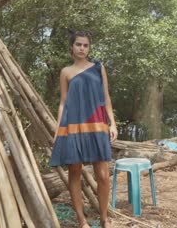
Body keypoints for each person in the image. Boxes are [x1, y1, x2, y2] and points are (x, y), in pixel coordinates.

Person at [50, 30, 118, 228]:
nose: (82, 48)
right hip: (73, 125)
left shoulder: (98, 68)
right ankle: (82, 221)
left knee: (103, 175)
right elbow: (63, 102)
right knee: (75, 172)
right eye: (78, 44)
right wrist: (58, 128)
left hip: (97, 125)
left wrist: (112, 123)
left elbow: (106, 97)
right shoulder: (66, 72)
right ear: (71, 47)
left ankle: (104, 218)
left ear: (89, 48)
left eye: (85, 45)